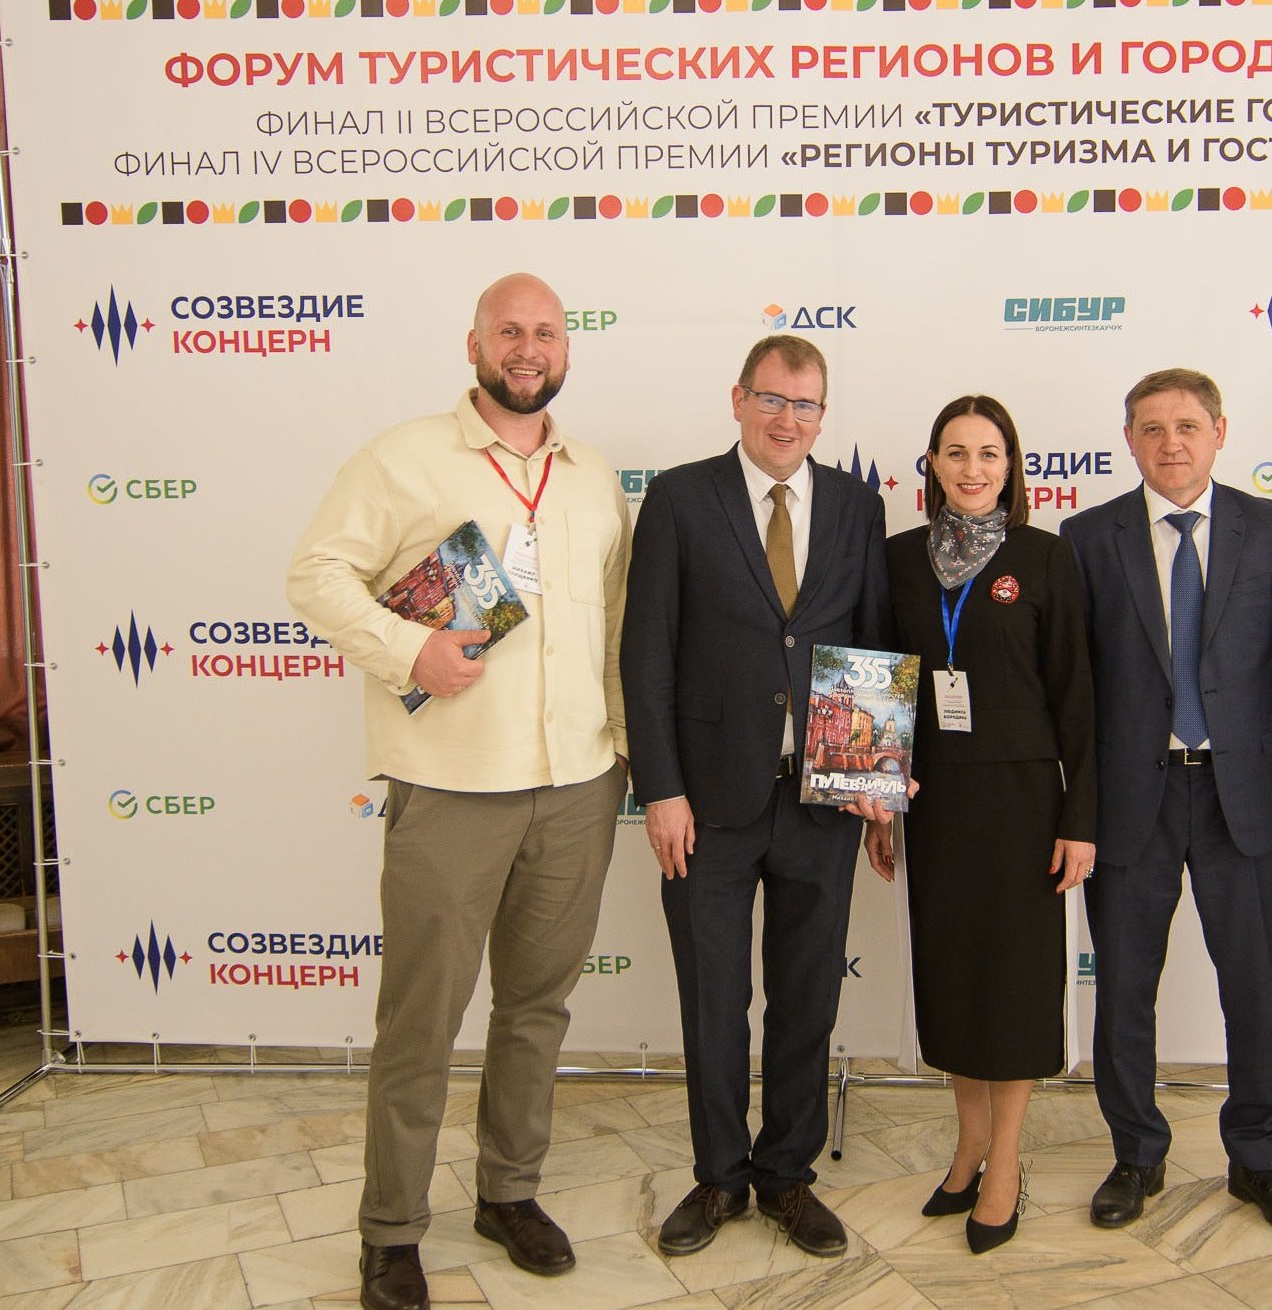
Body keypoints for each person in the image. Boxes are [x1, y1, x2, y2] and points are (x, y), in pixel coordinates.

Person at [286, 274, 630, 1310]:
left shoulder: (594, 478)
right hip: (450, 788)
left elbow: (617, 629)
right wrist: (410, 649)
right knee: (421, 1021)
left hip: (576, 785)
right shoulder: (402, 457)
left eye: (546, 332)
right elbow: (315, 575)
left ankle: (509, 1191)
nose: (528, 348)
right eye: (508, 331)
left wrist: (625, 755)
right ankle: (391, 1229)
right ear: (473, 343)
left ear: (567, 348)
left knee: (535, 1008)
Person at [622, 335, 890, 1260]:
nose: (786, 419)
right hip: (707, 804)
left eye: (804, 405)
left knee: (806, 997)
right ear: (738, 400)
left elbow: (870, 647)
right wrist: (661, 789)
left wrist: (872, 786)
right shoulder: (678, 498)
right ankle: (719, 1176)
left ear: (823, 415)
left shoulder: (857, 505)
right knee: (713, 999)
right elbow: (646, 652)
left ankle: (786, 1175)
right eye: (771, 399)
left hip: (823, 802)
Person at [1061, 369, 1272, 1242]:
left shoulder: (1271, 528)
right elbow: (1075, 678)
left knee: (1253, 988)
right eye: (1150, 428)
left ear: (1218, 432)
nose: (1169, 443)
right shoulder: (1086, 537)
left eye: (1186, 426)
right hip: (1129, 799)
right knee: (1122, 989)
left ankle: (1258, 1159)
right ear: (1128, 440)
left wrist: (1233, 728)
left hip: (1237, 795)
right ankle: (1135, 1154)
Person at [863, 395, 1095, 1255]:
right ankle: (966, 1149)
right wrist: (876, 801)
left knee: (1014, 984)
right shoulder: (896, 559)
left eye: (988, 453)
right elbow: (880, 683)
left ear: (1011, 466)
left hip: (1025, 804)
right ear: (930, 464)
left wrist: (1080, 817)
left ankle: (1005, 1162)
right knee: (955, 978)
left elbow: (1078, 697)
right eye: (954, 452)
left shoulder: (1045, 556)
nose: (971, 468)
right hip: (933, 802)